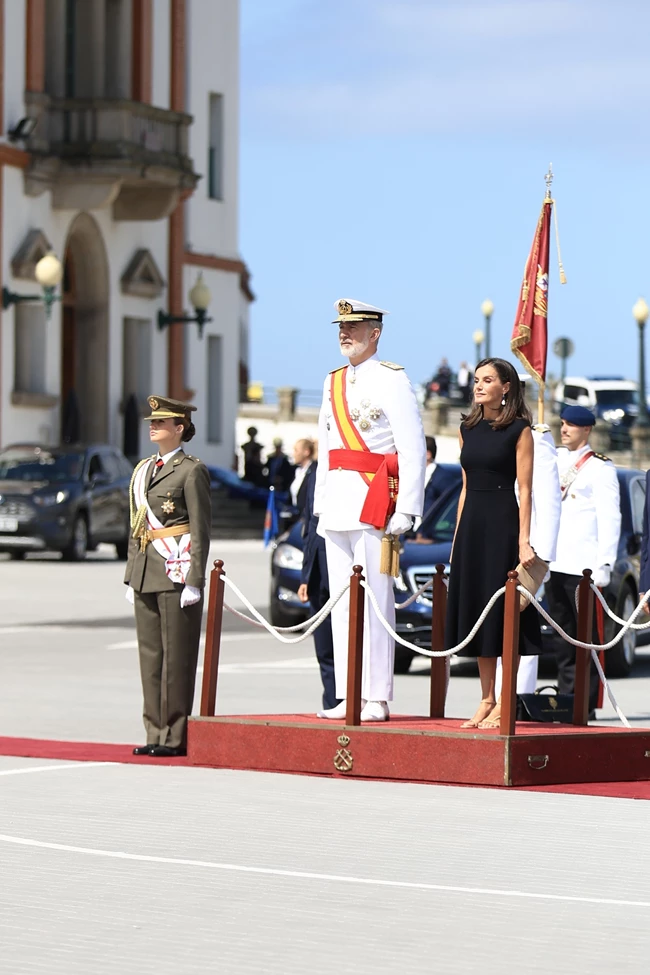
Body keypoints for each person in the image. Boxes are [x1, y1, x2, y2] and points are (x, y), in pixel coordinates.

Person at [313, 298, 426, 722]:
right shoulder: (332, 382)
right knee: (341, 601)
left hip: (374, 499)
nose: (345, 334)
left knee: (377, 601)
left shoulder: (392, 379)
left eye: (354, 327)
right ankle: (349, 691)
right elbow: (326, 449)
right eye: (341, 327)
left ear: (374, 333)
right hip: (338, 501)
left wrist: (407, 508)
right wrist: (320, 503)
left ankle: (376, 695)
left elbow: (412, 448)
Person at [445, 358, 541, 729]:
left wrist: (524, 542)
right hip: (473, 527)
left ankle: (506, 699)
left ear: (506, 387)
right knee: (477, 612)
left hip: (502, 523)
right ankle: (485, 699)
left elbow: (526, 489)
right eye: (476, 380)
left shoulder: (520, 430)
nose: (479, 386)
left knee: (503, 616)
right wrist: (456, 538)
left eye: (487, 380)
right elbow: (466, 488)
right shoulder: (466, 428)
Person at [125, 395, 212, 757]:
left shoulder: (192, 471)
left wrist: (195, 579)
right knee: (150, 658)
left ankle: (175, 735)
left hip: (175, 572)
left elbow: (201, 529)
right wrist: (131, 575)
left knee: (177, 659)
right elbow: (137, 525)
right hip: (147, 571)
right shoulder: (144, 469)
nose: (153, 426)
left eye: (161, 422)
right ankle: (154, 732)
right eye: (152, 421)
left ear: (180, 428)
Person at [546, 405, 621, 717]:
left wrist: (605, 563)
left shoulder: (600, 468)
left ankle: (586, 702)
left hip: (584, 568)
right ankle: (566, 698)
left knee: (585, 637)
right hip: (556, 563)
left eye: (571, 426)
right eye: (562, 424)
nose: (564, 430)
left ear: (587, 430)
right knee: (562, 637)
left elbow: (610, 518)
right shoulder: (554, 461)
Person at [495, 422, 562, 696]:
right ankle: (499, 696)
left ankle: (516, 697)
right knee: (498, 621)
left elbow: (548, 502)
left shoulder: (536, 439)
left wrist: (542, 556)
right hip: (501, 542)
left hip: (528, 551)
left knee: (522, 619)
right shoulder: (493, 435)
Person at [297, 459, 341, 711]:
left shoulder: (349, 463)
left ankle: (352, 701)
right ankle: (332, 702)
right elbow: (309, 523)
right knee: (324, 646)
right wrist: (306, 575)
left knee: (347, 642)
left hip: (345, 569)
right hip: (317, 568)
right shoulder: (317, 467)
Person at [414, 436, 459, 537]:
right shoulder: (415, 475)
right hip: (411, 534)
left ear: (428, 454)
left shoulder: (442, 478)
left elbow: (449, 510)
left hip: (430, 536)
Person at [290, 438, 315, 509]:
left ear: (306, 452)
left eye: (296, 450)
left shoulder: (314, 471)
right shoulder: (297, 471)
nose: (293, 454)